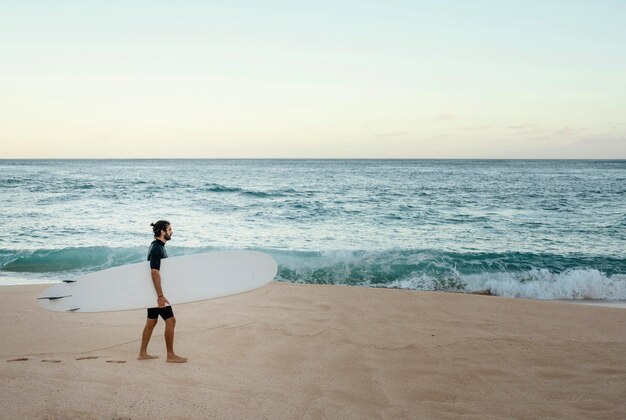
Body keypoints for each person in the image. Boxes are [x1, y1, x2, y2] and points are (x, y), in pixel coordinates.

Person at [137, 220, 188, 363]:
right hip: (157, 293)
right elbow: (154, 272)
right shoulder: (157, 248)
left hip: (153, 291)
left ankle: (142, 353)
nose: (172, 231)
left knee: (152, 322)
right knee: (171, 321)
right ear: (162, 232)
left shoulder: (157, 246)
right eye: (170, 229)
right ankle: (170, 355)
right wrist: (160, 296)